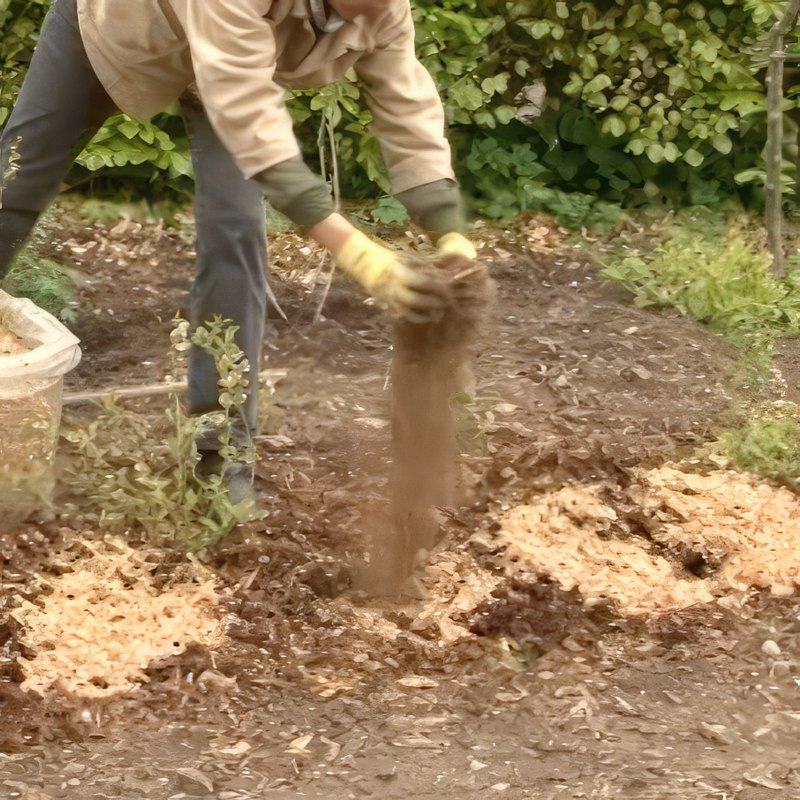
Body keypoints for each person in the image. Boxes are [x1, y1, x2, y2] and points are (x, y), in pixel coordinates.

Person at [0, 0, 477, 500]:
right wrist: (355, 252)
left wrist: (450, 233)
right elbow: (250, 120)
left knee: (236, 237)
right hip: (122, 21)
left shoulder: (382, 6)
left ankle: (221, 457)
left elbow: (406, 103)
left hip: (234, 66)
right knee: (16, 184)